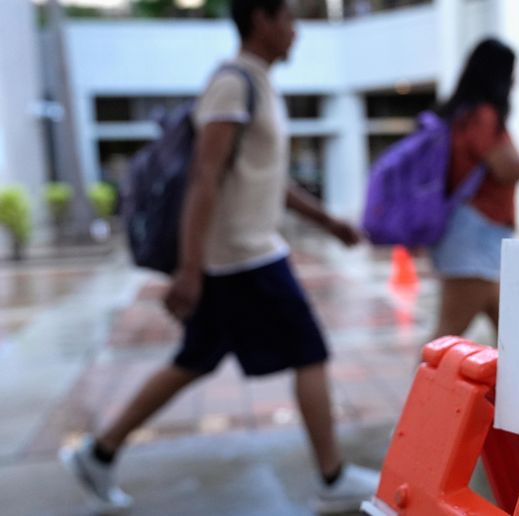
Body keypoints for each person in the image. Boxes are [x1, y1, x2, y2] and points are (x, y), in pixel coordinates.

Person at [59, 1, 378, 512]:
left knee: (194, 359)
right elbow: (202, 177)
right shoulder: (232, 84)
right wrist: (188, 269)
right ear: (261, 19)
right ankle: (332, 475)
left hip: (238, 256)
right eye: (291, 19)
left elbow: (269, 179)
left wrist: (329, 222)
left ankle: (99, 453)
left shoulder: (260, 83)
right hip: (243, 257)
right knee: (310, 352)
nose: (297, 31)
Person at [429, 38, 519, 341]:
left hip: (479, 234)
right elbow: (507, 170)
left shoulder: (463, 114)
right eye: (511, 71)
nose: (515, 80)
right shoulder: (482, 117)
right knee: (447, 333)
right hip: (475, 234)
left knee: (514, 332)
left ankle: (517, 388)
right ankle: (420, 390)